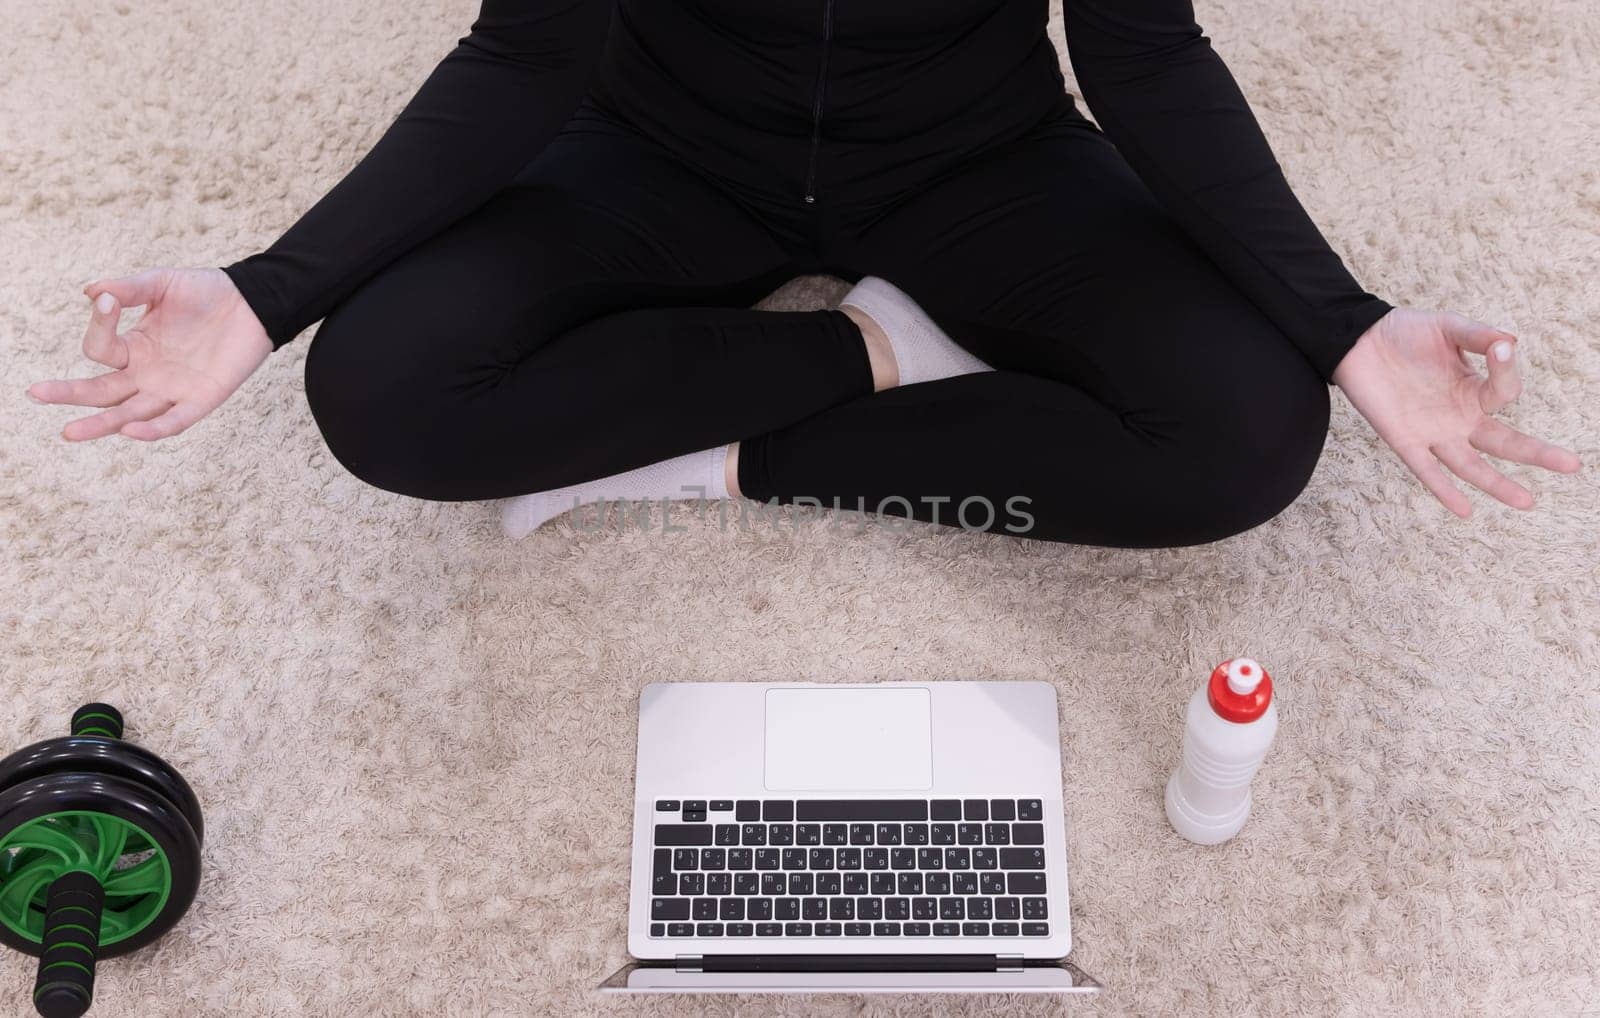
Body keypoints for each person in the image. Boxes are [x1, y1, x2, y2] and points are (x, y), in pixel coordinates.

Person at [26, 1, 1579, 546]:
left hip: (975, 155)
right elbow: (525, 50)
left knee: (1246, 433)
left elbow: (1142, 50)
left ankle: (715, 462)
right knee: (381, 394)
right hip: (660, 142)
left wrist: (1344, 324)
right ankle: (869, 356)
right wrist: (265, 290)